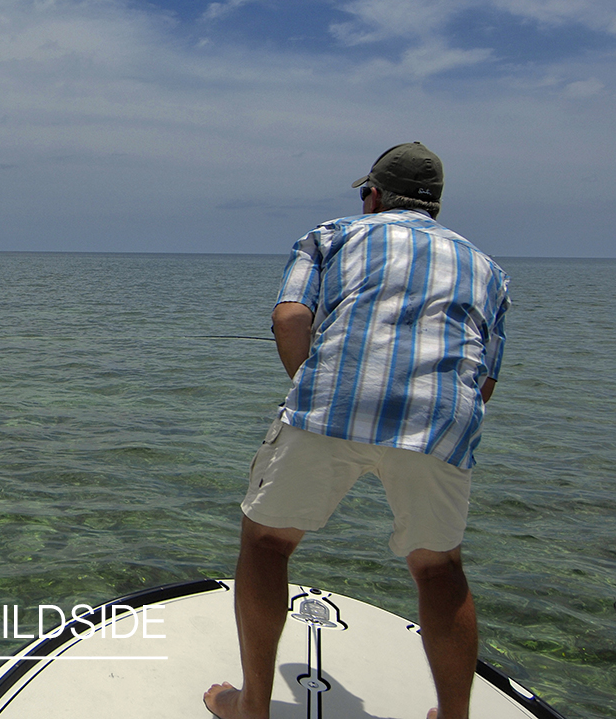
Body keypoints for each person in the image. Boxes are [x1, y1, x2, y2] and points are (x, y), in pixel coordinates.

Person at [204, 142, 510, 719]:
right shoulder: (488, 269)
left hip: (331, 406)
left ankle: (252, 706)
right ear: (435, 206)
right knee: (439, 567)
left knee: (267, 543)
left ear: (372, 195)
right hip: (442, 420)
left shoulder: (331, 235)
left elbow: (290, 317)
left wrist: (316, 389)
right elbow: (485, 380)